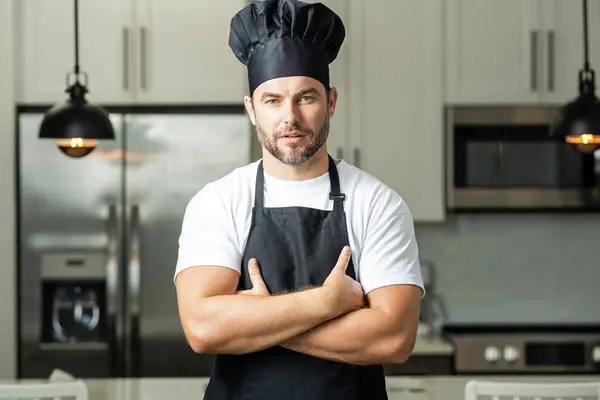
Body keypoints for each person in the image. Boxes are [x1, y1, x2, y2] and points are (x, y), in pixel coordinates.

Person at [174, 0, 424, 398]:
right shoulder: (219, 201)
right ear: (252, 110)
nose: (289, 116)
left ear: (331, 102)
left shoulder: (377, 203)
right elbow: (203, 330)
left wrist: (255, 317)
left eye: (305, 97)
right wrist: (325, 303)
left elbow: (393, 339)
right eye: (272, 100)